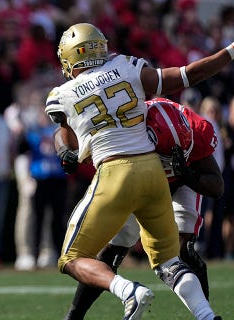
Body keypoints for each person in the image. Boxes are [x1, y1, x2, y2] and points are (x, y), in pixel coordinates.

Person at [46, 22, 234, 320]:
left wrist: (64, 152)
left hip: (115, 170)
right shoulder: (127, 66)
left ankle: (127, 291)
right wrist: (229, 53)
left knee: (71, 257)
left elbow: (66, 139)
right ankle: (207, 316)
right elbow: (186, 75)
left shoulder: (61, 94)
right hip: (152, 172)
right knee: (169, 260)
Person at [63, 98, 224, 319]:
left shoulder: (196, 129)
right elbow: (62, 129)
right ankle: (73, 315)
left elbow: (216, 187)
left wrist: (188, 175)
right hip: (140, 175)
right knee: (112, 249)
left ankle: (204, 314)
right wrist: (65, 151)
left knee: (181, 250)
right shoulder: (127, 125)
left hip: (182, 181)